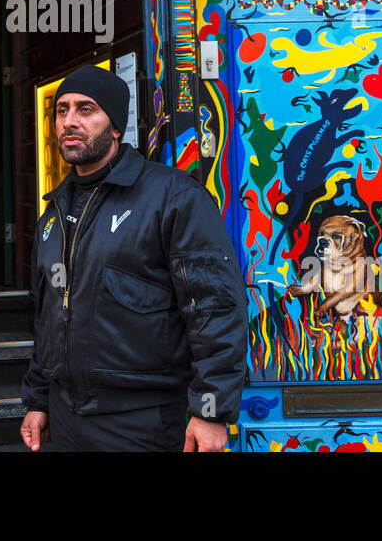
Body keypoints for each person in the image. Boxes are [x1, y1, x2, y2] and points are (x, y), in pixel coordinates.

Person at [20, 64, 246, 452]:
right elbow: (51, 315)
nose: (70, 121)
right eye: (62, 110)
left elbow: (216, 307)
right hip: (67, 418)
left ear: (116, 127)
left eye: (86, 109)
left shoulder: (172, 198)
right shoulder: (54, 210)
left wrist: (211, 410)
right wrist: (38, 399)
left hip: (143, 420)